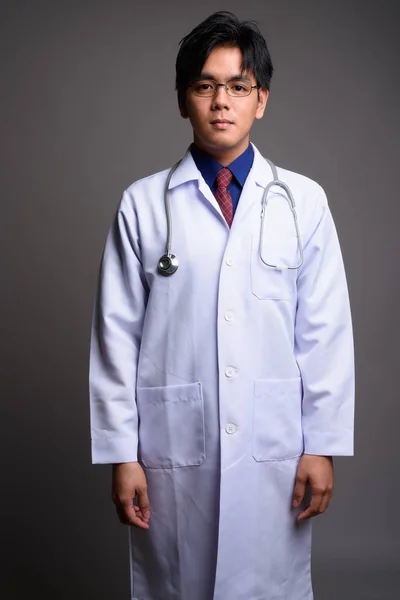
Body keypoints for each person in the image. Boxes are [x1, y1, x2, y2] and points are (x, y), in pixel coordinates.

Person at [89, 10, 354, 600]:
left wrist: (322, 445)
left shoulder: (302, 202)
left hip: (274, 451)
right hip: (171, 450)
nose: (221, 102)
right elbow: (116, 337)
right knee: (177, 583)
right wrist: (121, 454)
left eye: (238, 86)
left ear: (261, 99)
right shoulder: (143, 205)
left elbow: (325, 330)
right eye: (205, 85)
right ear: (183, 100)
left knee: (267, 585)